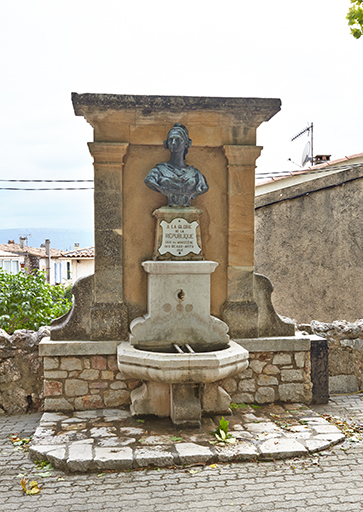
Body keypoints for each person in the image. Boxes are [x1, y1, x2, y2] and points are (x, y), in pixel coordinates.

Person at [144, 123, 209, 207]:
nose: (174, 143)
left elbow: (203, 188)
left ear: (186, 144)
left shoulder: (196, 175)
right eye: (171, 140)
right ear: (166, 143)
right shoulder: (157, 172)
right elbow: (149, 181)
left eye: (178, 139)